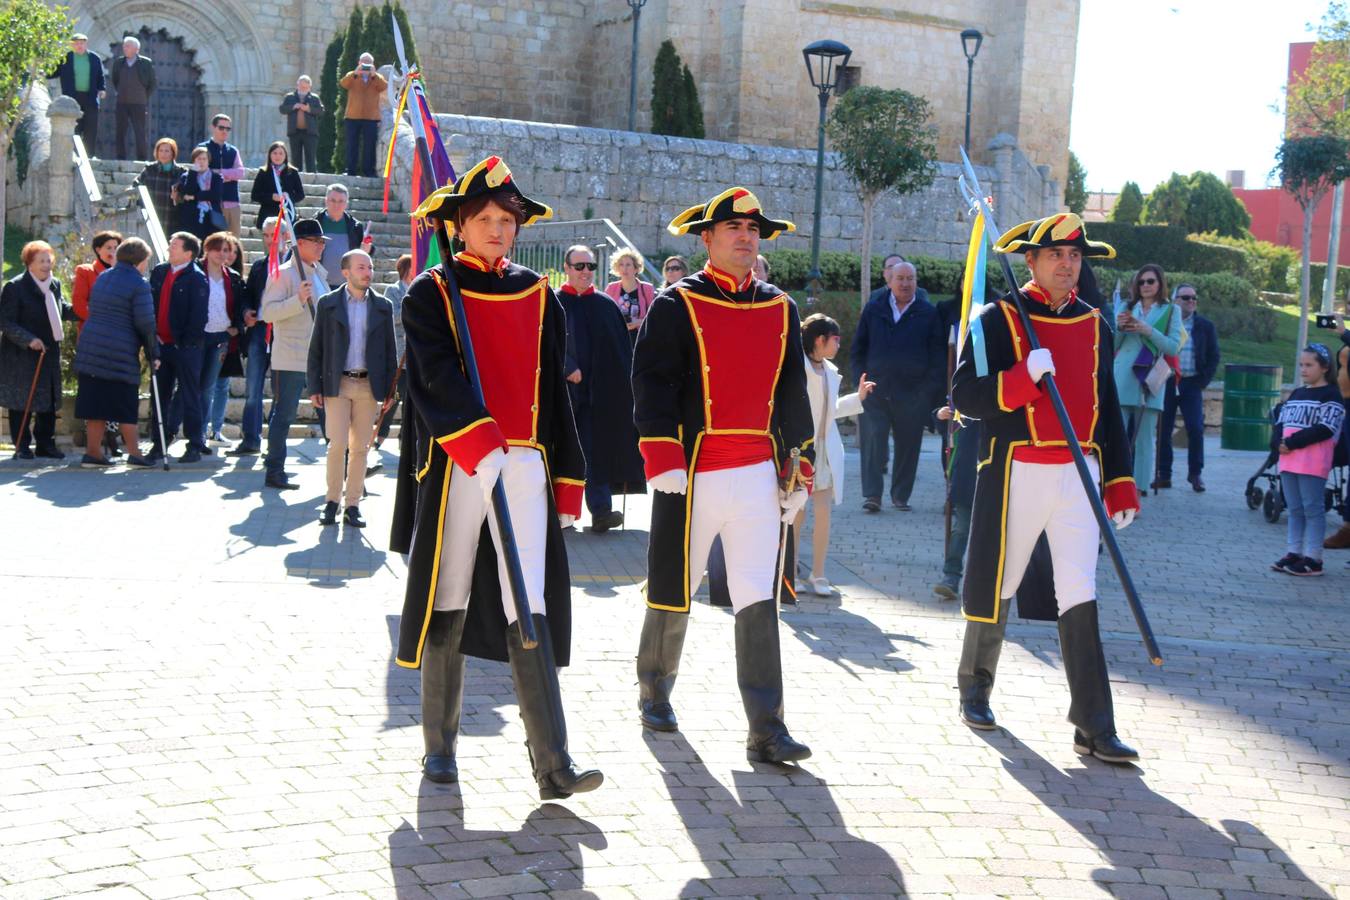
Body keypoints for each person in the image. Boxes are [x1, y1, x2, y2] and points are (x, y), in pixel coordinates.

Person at [391, 155, 602, 801]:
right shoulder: (431, 291)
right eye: (485, 218)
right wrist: (477, 442)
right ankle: (440, 750)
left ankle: (553, 762)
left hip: (526, 465)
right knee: (449, 592)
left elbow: (552, 394)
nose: (498, 229)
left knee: (528, 599)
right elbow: (432, 377)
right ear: (459, 225)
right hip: (461, 463)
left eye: (507, 220)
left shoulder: (539, 295)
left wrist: (567, 477)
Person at [633, 186, 815, 765]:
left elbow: (792, 394)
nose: (745, 237)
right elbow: (652, 384)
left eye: (752, 230)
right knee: (674, 585)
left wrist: (799, 467)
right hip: (693, 473)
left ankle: (767, 725)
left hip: (759, 475)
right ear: (706, 239)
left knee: (758, 594)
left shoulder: (779, 307)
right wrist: (661, 457)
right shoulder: (675, 303)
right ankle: (654, 689)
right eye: (733, 229)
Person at [951, 213, 1140, 764]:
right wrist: (1019, 381)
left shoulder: (1095, 323)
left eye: (1075, 256)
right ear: (1030, 261)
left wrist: (1121, 482)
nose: (1067, 264)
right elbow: (965, 396)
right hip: (1018, 468)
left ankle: (1093, 723)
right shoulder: (995, 320)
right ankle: (975, 687)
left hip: (1080, 473)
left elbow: (1108, 409)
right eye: (1056, 255)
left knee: (1080, 588)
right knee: (999, 579)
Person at [307, 249, 396, 527]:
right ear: (345, 272)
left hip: (369, 385)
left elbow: (390, 350)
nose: (367, 272)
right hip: (338, 383)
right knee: (338, 444)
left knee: (360, 449)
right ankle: (332, 501)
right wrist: (314, 387)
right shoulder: (328, 304)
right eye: (361, 267)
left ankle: (353, 505)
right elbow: (316, 348)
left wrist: (390, 391)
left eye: (369, 267)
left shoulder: (383, 306)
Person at [560, 244, 646, 531]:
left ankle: (601, 511)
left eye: (590, 267)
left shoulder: (605, 305)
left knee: (596, 451)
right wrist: (567, 366)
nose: (585, 272)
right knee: (564, 451)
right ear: (567, 269)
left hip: (599, 397)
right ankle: (562, 512)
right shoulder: (553, 302)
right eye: (579, 266)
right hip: (563, 396)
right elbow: (541, 343)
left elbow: (622, 352)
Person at [851, 256, 944, 512]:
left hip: (913, 393)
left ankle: (900, 495)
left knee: (908, 445)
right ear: (889, 281)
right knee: (873, 441)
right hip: (875, 390)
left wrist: (927, 391)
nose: (905, 283)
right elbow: (858, 348)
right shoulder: (874, 308)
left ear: (916, 282)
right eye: (900, 278)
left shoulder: (927, 312)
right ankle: (872, 495)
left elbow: (937, 356)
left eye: (910, 279)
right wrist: (860, 380)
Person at [796, 314, 872, 595]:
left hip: (825, 451)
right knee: (796, 513)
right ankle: (790, 572)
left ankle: (818, 574)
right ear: (820, 340)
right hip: (801, 450)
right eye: (835, 339)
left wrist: (857, 398)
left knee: (824, 513)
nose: (838, 345)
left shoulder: (829, 371)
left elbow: (830, 411)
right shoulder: (798, 368)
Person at [73, 238, 157, 468]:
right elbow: (145, 323)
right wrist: (153, 352)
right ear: (140, 261)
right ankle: (136, 454)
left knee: (95, 404)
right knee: (125, 404)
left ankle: (93, 454)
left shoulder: (103, 277)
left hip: (92, 347)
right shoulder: (139, 284)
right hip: (119, 352)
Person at [260, 218, 330, 490]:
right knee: (284, 414)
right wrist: (296, 300)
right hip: (290, 357)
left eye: (322, 242)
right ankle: (274, 470)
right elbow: (268, 312)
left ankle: (345, 467)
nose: (321, 247)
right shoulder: (284, 273)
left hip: (319, 357)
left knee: (329, 415)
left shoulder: (319, 273)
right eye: (317, 242)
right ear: (299, 244)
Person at [1270, 344, 1344, 576]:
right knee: (1294, 508)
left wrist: (1292, 443)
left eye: (1309, 365)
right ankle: (1294, 552)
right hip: (1289, 462)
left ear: (1324, 367)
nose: (1303, 369)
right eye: (1301, 364)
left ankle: (1314, 558)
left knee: (1313, 509)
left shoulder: (1331, 394)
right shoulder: (1297, 393)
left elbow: (1325, 428)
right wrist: (1277, 443)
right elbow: (1281, 422)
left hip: (1312, 462)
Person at [1113, 264, 1183, 494]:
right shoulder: (1126, 306)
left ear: (1160, 284)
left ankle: (1139, 488)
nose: (1145, 286)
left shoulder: (1171, 310)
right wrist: (1120, 328)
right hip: (1123, 374)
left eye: (1150, 281)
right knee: (1118, 438)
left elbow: (1173, 348)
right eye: (1141, 282)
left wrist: (1147, 330)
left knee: (1144, 440)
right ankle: (1115, 485)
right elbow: (1113, 345)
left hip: (1151, 376)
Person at [1, 241, 73, 460]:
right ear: (29, 263)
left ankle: (45, 444)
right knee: (22, 402)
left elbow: (62, 307)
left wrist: (85, 308)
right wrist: (29, 339)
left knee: (48, 402)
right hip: (22, 356)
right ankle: (22, 446)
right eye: (41, 260)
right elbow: (5, 321)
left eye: (49, 259)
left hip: (49, 353)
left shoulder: (55, 285)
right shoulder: (15, 287)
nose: (46, 264)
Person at [147, 232, 210, 463]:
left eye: (175, 246)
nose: (169, 249)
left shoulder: (196, 278)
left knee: (190, 395)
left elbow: (199, 316)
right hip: (160, 345)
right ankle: (158, 443)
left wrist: (183, 343)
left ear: (188, 253)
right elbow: (150, 304)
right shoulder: (160, 272)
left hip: (186, 347)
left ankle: (194, 444)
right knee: (158, 395)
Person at [1156, 283, 1219, 492]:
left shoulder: (1205, 326)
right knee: (1163, 429)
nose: (1191, 301)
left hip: (1192, 382)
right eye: (1186, 298)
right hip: (1167, 381)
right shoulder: (1166, 323)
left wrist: (1202, 382)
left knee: (1195, 428)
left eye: (1194, 298)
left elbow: (1213, 356)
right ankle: (1164, 474)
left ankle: (1195, 474)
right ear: (1175, 301)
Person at [226, 218, 279, 458]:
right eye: (266, 236)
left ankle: (277, 444)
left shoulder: (295, 265)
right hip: (259, 333)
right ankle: (251, 439)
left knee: (282, 391)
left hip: (283, 335)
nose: (270, 240)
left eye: (274, 235)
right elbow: (247, 295)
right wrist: (246, 311)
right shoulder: (259, 266)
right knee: (253, 389)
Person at [198, 233, 246, 446]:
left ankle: (215, 431)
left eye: (226, 250)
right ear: (207, 249)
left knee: (221, 385)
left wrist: (237, 326)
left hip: (224, 337)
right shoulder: (196, 272)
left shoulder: (233, 277)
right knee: (205, 386)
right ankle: (198, 432)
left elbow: (239, 304)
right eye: (218, 249)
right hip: (200, 337)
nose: (222, 254)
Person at [375, 253, 414, 448]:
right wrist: (411, 307)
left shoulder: (421, 290)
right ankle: (380, 435)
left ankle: (404, 440)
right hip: (399, 353)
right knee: (392, 398)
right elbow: (391, 316)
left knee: (411, 403)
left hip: (414, 356)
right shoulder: (393, 290)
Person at [316, 184, 375, 289]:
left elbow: (364, 254)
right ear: (326, 201)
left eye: (341, 201)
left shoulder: (355, 226)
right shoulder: (315, 223)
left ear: (346, 203)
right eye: (332, 200)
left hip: (347, 285)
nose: (336, 205)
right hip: (318, 283)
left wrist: (368, 250)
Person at [52, 34, 105, 144]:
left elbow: (100, 76)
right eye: (76, 44)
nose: (79, 46)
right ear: (72, 45)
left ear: (86, 44)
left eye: (81, 43)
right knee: (74, 127)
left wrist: (102, 89)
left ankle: (89, 155)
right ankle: (73, 154)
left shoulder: (94, 58)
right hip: (72, 98)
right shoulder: (65, 58)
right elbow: (53, 72)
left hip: (90, 98)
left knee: (90, 128)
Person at [197, 115, 246, 235]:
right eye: (221, 128)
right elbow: (200, 171)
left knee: (233, 242)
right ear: (213, 127)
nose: (224, 131)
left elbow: (240, 172)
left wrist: (219, 173)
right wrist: (227, 175)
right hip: (209, 203)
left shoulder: (233, 150)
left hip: (232, 202)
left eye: (227, 129)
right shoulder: (202, 148)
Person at [340, 53, 387, 178]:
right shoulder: (352, 75)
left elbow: (384, 86)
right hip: (352, 116)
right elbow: (344, 84)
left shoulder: (377, 77)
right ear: (358, 63)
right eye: (363, 62)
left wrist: (374, 75)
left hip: (371, 118)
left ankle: (369, 171)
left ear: (373, 64)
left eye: (368, 63)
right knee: (351, 145)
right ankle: (350, 170)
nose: (365, 65)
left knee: (370, 146)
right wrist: (356, 73)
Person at [111, 36, 154, 160]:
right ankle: (120, 157)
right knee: (120, 132)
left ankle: (141, 158)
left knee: (139, 131)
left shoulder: (146, 63)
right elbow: (115, 80)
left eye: (128, 46)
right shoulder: (119, 62)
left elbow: (152, 83)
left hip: (139, 103)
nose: (125, 48)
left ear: (136, 49)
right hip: (122, 102)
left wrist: (144, 97)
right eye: (124, 46)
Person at [72, 231, 122, 334]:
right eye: (108, 248)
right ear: (98, 250)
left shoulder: (123, 273)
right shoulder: (85, 271)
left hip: (117, 333)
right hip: (92, 331)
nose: (113, 252)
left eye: (116, 248)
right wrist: (102, 322)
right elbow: (79, 304)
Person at [132, 138, 185, 233]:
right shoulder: (149, 170)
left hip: (172, 218)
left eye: (167, 151)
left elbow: (187, 193)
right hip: (151, 216)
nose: (163, 154)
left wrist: (179, 197)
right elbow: (136, 186)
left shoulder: (181, 172)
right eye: (160, 151)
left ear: (173, 153)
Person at [249, 142, 305, 232]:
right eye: (275, 153)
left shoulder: (292, 172)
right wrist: (271, 197)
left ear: (285, 155)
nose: (277, 156)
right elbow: (254, 195)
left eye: (281, 153)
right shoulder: (263, 172)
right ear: (270, 155)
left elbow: (301, 194)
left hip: (287, 217)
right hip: (267, 217)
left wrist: (288, 198)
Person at [603, 247, 655, 335]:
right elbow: (604, 315)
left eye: (628, 265)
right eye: (621, 265)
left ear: (636, 268)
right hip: (617, 337)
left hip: (639, 338)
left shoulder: (647, 289)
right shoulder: (611, 288)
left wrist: (638, 322)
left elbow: (654, 318)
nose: (624, 268)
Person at [176, 147, 224, 242]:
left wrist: (195, 197)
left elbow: (215, 195)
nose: (201, 162)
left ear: (208, 161)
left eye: (204, 159)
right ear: (194, 160)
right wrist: (193, 173)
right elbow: (189, 191)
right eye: (198, 159)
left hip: (211, 217)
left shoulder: (216, 177)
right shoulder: (187, 176)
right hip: (192, 217)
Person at [280, 75, 325, 173]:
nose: (302, 89)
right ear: (297, 85)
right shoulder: (290, 97)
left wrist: (308, 109)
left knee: (310, 157)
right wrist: (293, 107)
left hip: (310, 132)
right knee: (296, 158)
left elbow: (321, 111)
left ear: (309, 87)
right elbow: (282, 109)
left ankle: (312, 178)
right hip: (294, 131)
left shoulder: (314, 98)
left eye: (305, 87)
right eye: (300, 86)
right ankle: (296, 178)